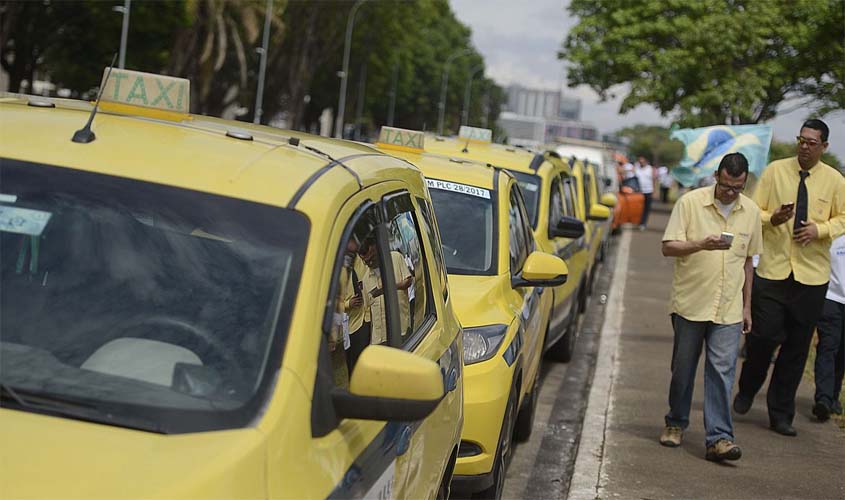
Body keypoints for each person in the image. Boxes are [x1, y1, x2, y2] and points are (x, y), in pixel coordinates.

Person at [734, 119, 845, 437]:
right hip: (773, 270)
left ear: (824, 146)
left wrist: (820, 230)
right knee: (763, 337)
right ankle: (747, 388)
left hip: (811, 277)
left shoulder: (836, 181)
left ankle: (780, 414)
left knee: (796, 348)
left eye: (812, 142)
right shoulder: (775, 171)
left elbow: (843, 217)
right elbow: (753, 210)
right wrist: (773, 218)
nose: (805, 146)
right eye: (802, 140)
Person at [659, 153, 762, 462]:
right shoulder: (690, 203)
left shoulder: (752, 212)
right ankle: (676, 422)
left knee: (722, 371)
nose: (731, 193)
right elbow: (668, 247)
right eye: (727, 186)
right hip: (691, 303)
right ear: (717, 176)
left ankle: (719, 438)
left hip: (729, 308)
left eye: (738, 188)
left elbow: (748, 263)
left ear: (745, 183)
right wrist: (700, 244)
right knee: (684, 370)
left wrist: (747, 307)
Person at [812, 234, 845, 420]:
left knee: (841, 351)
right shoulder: (834, 233)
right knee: (828, 346)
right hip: (830, 297)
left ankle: (833, 395)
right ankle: (823, 399)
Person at [634, 155, 657, 230]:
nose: (641, 163)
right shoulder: (636, 168)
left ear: (646, 161)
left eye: (642, 161)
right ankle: (637, 221)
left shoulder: (650, 169)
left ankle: (643, 223)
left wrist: (654, 190)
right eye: (640, 161)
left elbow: (654, 180)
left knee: (646, 208)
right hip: (638, 191)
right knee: (638, 208)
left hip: (648, 191)